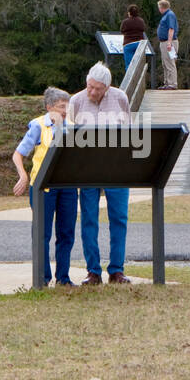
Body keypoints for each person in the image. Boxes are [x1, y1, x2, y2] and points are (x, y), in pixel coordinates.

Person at [67, 63, 132, 285]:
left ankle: (117, 270)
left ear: (107, 87)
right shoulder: (76, 101)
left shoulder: (121, 98)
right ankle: (93, 271)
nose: (92, 92)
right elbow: (69, 137)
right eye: (90, 87)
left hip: (116, 167)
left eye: (98, 89)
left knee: (119, 219)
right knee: (89, 219)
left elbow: (128, 131)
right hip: (88, 168)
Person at [12, 87, 77, 287]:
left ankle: (63, 278)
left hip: (67, 186)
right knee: (42, 233)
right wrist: (23, 175)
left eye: (67, 106)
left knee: (66, 232)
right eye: (60, 107)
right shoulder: (38, 126)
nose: (64, 110)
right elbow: (18, 154)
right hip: (43, 188)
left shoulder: (72, 127)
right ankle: (42, 277)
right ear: (49, 107)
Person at [156, 0, 179, 89]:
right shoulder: (166, 15)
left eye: (159, 7)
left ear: (162, 7)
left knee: (170, 63)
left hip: (169, 42)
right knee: (165, 63)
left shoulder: (170, 15)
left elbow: (171, 29)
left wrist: (169, 43)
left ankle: (172, 84)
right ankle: (167, 83)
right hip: (164, 42)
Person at [120, 4, 147, 72]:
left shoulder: (125, 22)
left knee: (129, 65)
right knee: (139, 65)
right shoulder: (141, 21)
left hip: (128, 44)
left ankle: (130, 81)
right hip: (139, 44)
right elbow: (143, 29)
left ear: (129, 12)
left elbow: (122, 31)